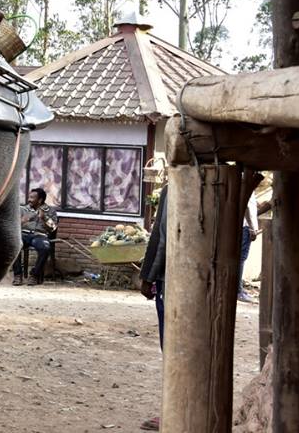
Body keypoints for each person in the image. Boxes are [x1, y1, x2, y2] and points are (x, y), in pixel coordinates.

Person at [138, 185, 168, 432]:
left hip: (173, 282)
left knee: (171, 347)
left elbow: (161, 236)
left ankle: (171, 410)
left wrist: (148, 276)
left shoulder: (175, 187)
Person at [12, 188, 58, 285]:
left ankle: (34, 275)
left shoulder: (50, 211)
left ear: (40, 200)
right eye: (29, 197)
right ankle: (17, 275)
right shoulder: (23, 209)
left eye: (32, 198)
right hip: (24, 234)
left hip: (39, 236)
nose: (29, 199)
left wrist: (44, 218)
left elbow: (53, 228)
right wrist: (21, 221)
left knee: (45, 248)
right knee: (13, 244)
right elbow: (13, 225)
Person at [237, 193, 259, 303]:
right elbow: (246, 206)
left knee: (241, 259)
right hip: (245, 227)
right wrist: (251, 227)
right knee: (241, 259)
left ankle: (239, 289)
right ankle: (238, 291)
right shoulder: (246, 183)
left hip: (246, 226)